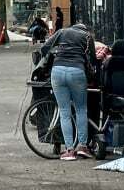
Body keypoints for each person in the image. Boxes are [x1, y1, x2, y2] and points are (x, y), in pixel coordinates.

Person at [40, 23, 97, 161]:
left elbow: (45, 47)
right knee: (81, 110)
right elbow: (93, 58)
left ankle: (69, 151)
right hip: (77, 72)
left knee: (64, 111)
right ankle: (83, 147)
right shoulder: (88, 36)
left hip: (57, 71)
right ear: (84, 29)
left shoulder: (62, 32)